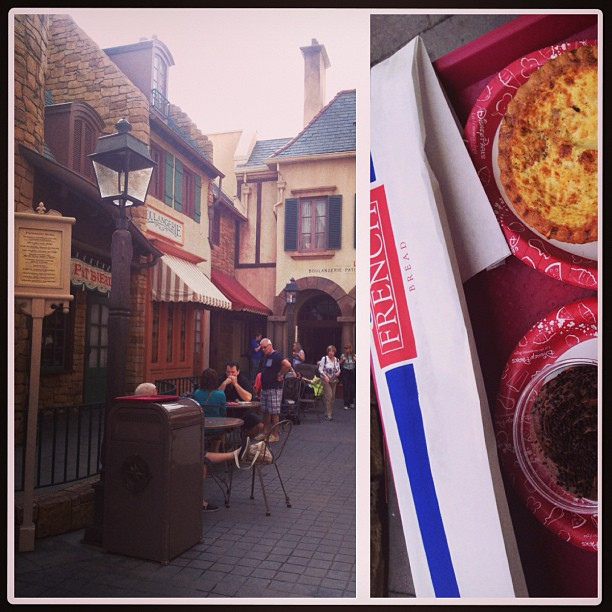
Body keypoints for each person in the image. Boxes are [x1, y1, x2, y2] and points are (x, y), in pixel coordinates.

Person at [258, 338, 292, 440]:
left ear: (270, 345)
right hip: (265, 387)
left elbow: (287, 365)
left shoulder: (276, 355)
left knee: (274, 412)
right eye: (262, 348)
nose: (263, 349)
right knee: (265, 411)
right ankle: (265, 432)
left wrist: (280, 374)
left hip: (274, 387)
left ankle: (275, 435)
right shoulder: (265, 357)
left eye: (265, 347)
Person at [194, 368, 227, 452]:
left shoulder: (197, 393)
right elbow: (223, 412)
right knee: (221, 427)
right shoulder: (220, 394)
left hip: (201, 426)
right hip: (216, 427)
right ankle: (215, 450)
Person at [318, 345, 341, 421]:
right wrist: (325, 376)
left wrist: (338, 373)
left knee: (333, 397)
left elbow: (338, 369)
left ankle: (327, 411)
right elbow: (320, 369)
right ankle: (329, 414)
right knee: (329, 395)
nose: (331, 353)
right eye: (329, 351)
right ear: (328, 352)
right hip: (325, 379)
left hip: (333, 379)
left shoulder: (336, 360)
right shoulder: (324, 359)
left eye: (332, 351)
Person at [339, 343, 356, 410]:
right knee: (346, 388)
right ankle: (346, 404)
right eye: (345, 349)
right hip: (345, 372)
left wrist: (355, 359)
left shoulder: (354, 355)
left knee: (352, 388)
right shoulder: (343, 355)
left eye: (347, 348)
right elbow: (338, 364)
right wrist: (342, 360)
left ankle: (351, 401)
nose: (346, 350)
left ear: (350, 349)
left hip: (352, 372)